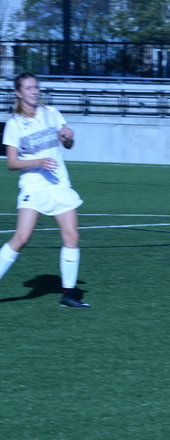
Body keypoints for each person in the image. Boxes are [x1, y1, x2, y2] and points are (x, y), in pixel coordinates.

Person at [0, 72, 89, 308]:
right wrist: (38, 162)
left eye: (36, 87)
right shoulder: (14, 124)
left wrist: (68, 137)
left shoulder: (52, 113)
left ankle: (68, 295)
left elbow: (67, 144)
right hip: (34, 188)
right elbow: (11, 163)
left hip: (59, 184)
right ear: (18, 93)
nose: (34, 91)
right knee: (21, 238)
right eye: (28, 88)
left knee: (72, 236)